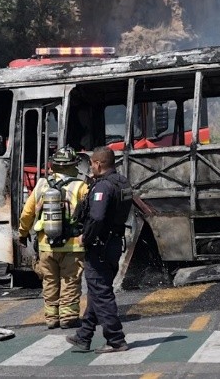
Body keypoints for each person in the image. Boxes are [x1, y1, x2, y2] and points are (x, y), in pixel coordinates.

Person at [66, 146, 131, 353]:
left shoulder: (103, 187)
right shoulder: (122, 182)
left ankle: (116, 339)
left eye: (92, 164)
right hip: (114, 244)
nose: (91, 168)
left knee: (101, 293)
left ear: (99, 164)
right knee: (97, 291)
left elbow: (97, 217)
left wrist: (86, 237)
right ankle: (84, 336)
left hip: (100, 247)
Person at [18, 146, 88, 330]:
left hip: (45, 245)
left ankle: (51, 318)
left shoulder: (41, 185)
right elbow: (89, 214)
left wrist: (22, 233)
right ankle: (68, 317)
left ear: (53, 165)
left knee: (49, 282)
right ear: (73, 165)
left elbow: (27, 214)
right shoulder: (81, 186)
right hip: (72, 246)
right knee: (70, 281)